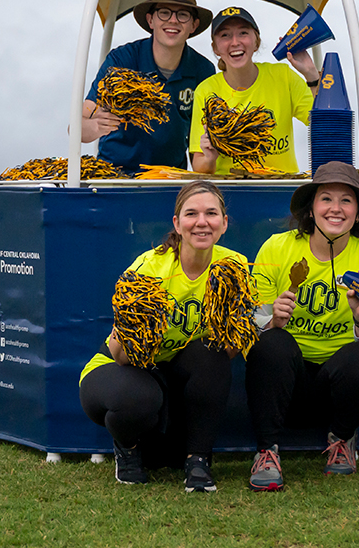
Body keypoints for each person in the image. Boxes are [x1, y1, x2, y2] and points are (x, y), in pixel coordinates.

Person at [78, 180, 244, 493]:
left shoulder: (232, 266)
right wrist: (139, 328)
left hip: (174, 370)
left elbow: (230, 348)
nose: (201, 222)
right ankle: (128, 448)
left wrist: (232, 326)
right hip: (123, 366)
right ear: (177, 224)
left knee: (213, 356)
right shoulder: (150, 267)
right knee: (139, 398)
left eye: (211, 213)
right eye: (191, 213)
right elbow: (121, 354)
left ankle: (198, 460)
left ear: (224, 222)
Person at [245, 161, 359, 491]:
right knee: (271, 343)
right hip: (288, 385)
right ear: (311, 209)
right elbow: (250, 325)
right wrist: (271, 320)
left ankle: (341, 438)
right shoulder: (276, 248)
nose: (335, 209)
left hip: (336, 388)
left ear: (358, 213)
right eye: (326, 199)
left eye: (346, 201)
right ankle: (267, 451)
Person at [82, 0, 216, 173]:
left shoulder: (203, 70)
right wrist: (96, 126)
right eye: (164, 12)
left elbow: (200, 142)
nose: (173, 20)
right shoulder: (121, 60)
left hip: (169, 179)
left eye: (183, 14)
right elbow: (78, 127)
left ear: (193, 25)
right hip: (113, 175)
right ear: (151, 20)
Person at [188, 6, 318, 174]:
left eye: (243, 33)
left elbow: (324, 126)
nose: (235, 42)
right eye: (225, 35)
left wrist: (311, 75)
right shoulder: (206, 90)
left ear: (256, 42)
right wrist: (209, 158)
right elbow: (199, 167)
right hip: (229, 192)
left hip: (281, 189)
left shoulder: (283, 76)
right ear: (215, 48)